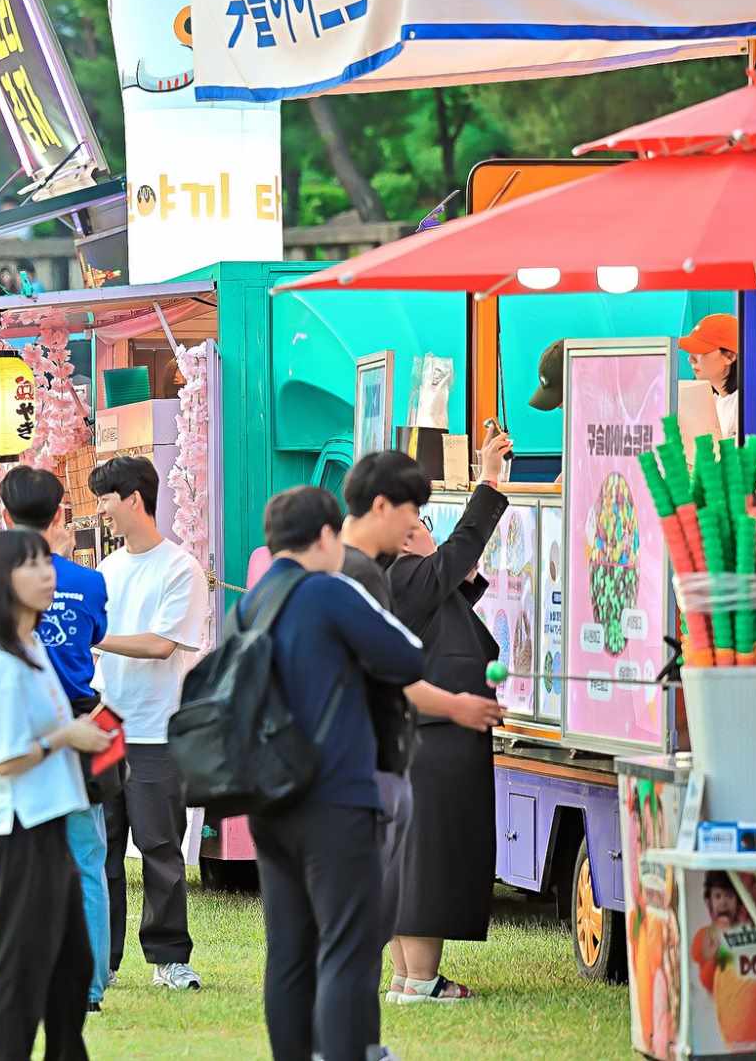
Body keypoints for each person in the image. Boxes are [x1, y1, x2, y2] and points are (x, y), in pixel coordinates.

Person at [246, 486, 435, 1061]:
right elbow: (407, 656)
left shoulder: (252, 603)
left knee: (288, 951)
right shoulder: (328, 592)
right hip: (336, 798)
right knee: (348, 947)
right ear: (327, 537)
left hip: (269, 797)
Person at [0, 465, 114, 1008]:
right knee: (87, 862)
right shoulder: (88, 582)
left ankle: (48, 982)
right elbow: (95, 639)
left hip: (30, 745)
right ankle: (88, 983)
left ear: (2, 512)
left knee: (25, 882)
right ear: (60, 512)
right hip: (80, 732)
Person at [387, 433, 515, 1002]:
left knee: (414, 857)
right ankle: (421, 978)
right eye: (419, 528)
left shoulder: (404, 582)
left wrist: (458, 572)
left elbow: (457, 570)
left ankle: (404, 975)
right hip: (435, 735)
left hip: (425, 735)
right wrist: (489, 479)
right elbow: (462, 547)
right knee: (429, 859)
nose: (429, 536)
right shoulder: (402, 577)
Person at [88, 456, 207, 992]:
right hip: (107, 727)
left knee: (160, 848)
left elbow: (161, 645)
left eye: (107, 500)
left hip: (158, 731)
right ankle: (103, 960)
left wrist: (96, 637)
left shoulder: (180, 568)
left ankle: (168, 958)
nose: (103, 511)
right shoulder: (108, 571)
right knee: (103, 847)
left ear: (134, 498)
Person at [676, 313, 741, 439]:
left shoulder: (744, 407)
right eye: (690, 350)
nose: (690, 359)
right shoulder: (714, 401)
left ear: (730, 356)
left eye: (700, 350)